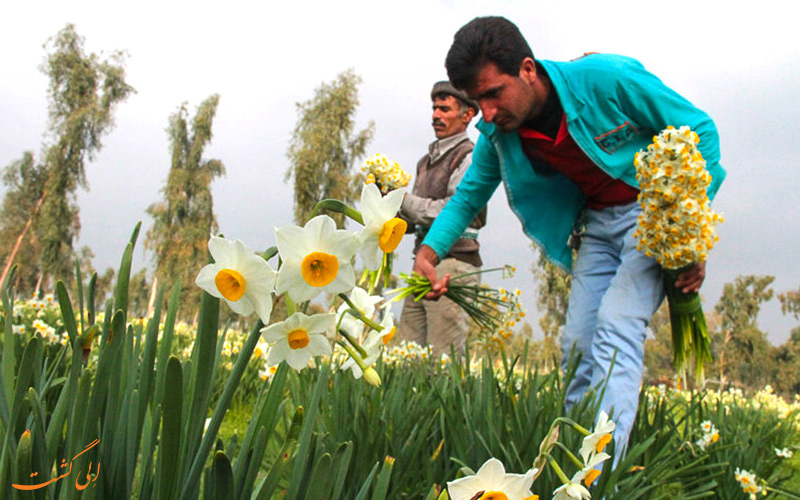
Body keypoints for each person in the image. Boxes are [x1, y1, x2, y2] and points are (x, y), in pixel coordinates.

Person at [414, 16, 725, 459]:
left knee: (617, 327)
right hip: (597, 227)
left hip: (652, 217)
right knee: (578, 343)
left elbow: (702, 131)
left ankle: (604, 473)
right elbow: (466, 199)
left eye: (492, 94)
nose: (486, 113)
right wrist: (428, 252)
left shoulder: (606, 80)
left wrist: (687, 230)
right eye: (477, 100)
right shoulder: (501, 136)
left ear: (527, 69)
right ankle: (574, 465)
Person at [397, 80, 486, 356]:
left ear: (468, 115)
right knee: (407, 356)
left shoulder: (470, 156)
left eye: (445, 109)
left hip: (454, 266)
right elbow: (417, 219)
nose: (436, 115)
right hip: (422, 263)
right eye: (435, 108)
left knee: (443, 360)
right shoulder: (425, 161)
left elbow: (454, 209)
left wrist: (404, 200)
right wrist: (388, 207)